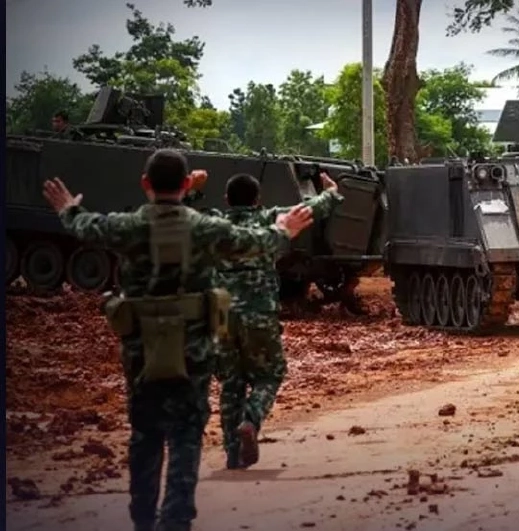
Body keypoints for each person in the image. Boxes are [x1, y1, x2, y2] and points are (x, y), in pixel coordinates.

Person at [41, 150, 315, 531]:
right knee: (187, 436)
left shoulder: (129, 227)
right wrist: (284, 228)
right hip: (194, 351)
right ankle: (176, 519)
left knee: (145, 435)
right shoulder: (203, 228)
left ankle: (142, 519)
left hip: (142, 352)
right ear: (186, 185)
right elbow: (255, 241)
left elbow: (86, 226)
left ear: (145, 184)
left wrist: (67, 207)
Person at [201, 171, 342, 470]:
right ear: (258, 199)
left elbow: (181, 216)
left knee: (231, 382)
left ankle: (232, 452)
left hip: (222, 316)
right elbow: (309, 210)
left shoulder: (215, 225)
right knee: (269, 375)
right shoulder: (270, 220)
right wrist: (330, 193)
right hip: (259, 312)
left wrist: (190, 190)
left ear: (227, 199)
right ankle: (251, 420)